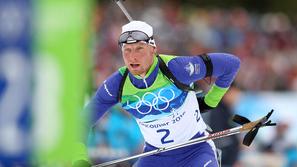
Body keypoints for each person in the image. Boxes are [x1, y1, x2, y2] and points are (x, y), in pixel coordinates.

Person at [73, 20, 240, 167]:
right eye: (127, 50)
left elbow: (231, 64)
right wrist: (80, 159)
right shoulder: (116, 85)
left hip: (196, 150)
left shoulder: (177, 68)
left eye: (139, 49)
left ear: (153, 49)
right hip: (156, 156)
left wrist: (211, 101)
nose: (133, 57)